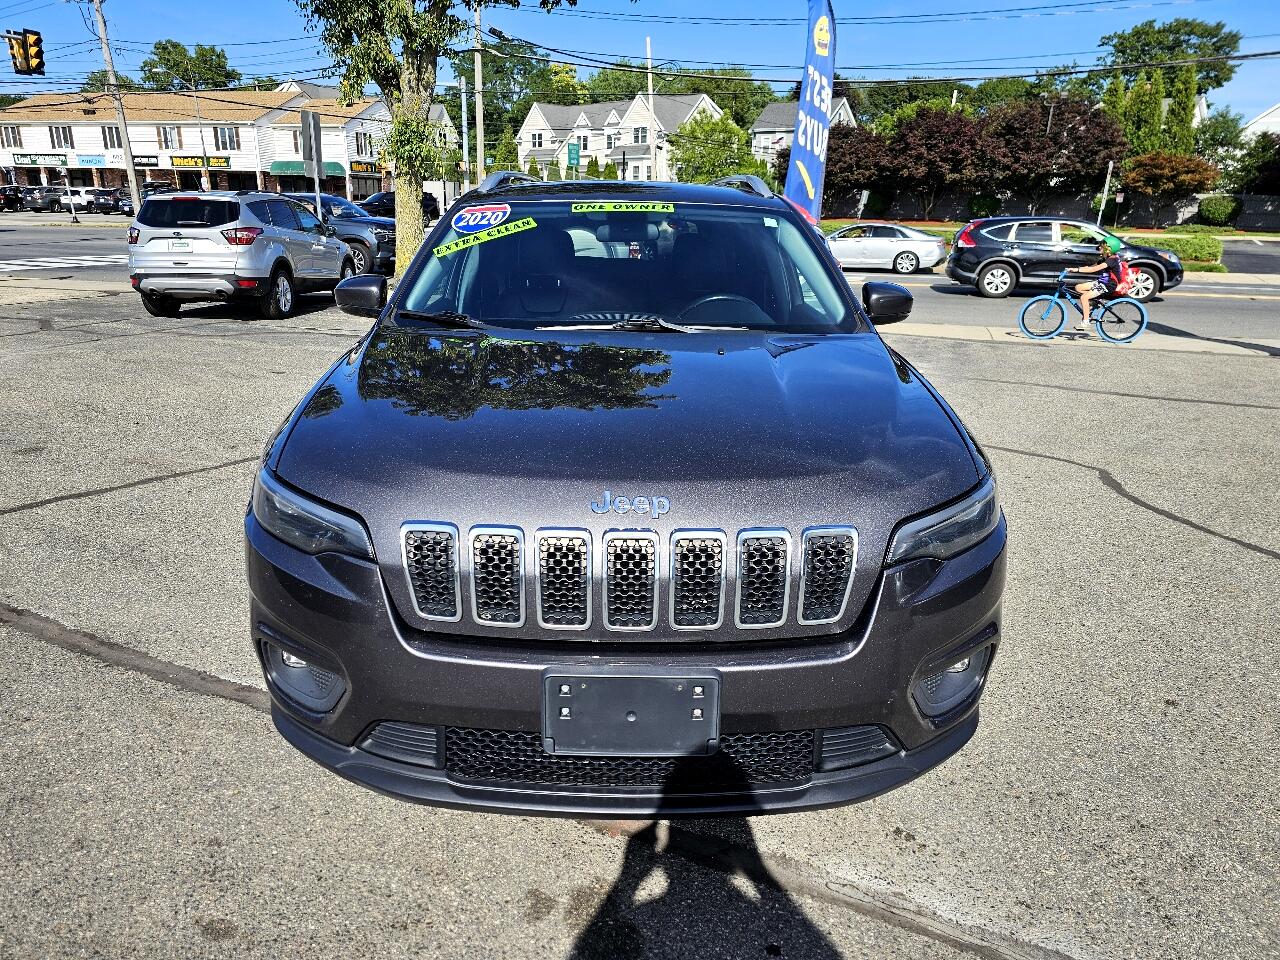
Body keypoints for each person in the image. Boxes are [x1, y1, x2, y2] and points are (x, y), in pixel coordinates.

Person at [1071, 236, 1125, 331]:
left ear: (1109, 248)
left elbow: (1093, 269)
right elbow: (1091, 266)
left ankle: (1086, 321)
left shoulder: (1112, 260)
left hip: (1108, 285)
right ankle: (1094, 302)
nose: (1099, 247)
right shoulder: (1106, 258)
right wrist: (1076, 269)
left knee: (1084, 297)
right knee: (1078, 287)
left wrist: (1077, 270)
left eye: (1102, 246)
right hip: (1102, 282)